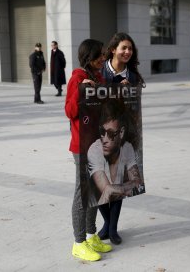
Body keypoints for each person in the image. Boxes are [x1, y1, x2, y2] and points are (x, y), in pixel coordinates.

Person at [65, 39, 112, 262]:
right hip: (82, 146)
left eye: (103, 55)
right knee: (82, 194)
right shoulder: (77, 78)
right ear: (88, 58)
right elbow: (70, 111)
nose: (103, 59)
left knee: (95, 192)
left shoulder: (100, 77)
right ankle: (78, 242)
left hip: (98, 144)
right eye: (99, 56)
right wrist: (81, 89)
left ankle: (91, 234)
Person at [97, 32, 146, 245]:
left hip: (122, 134)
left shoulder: (133, 76)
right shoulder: (99, 71)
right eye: (123, 48)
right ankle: (107, 224)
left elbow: (134, 108)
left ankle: (113, 229)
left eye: (130, 49)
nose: (127, 52)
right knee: (97, 182)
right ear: (113, 49)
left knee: (119, 180)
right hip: (97, 134)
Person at [87, 99, 144, 244]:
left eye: (111, 134)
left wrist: (117, 187)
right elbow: (105, 190)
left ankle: (111, 228)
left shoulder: (127, 148)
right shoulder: (94, 150)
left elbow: (137, 182)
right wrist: (122, 186)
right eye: (102, 132)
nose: (105, 139)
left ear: (122, 133)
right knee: (107, 190)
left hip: (117, 187)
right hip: (99, 195)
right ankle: (110, 226)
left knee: (117, 186)